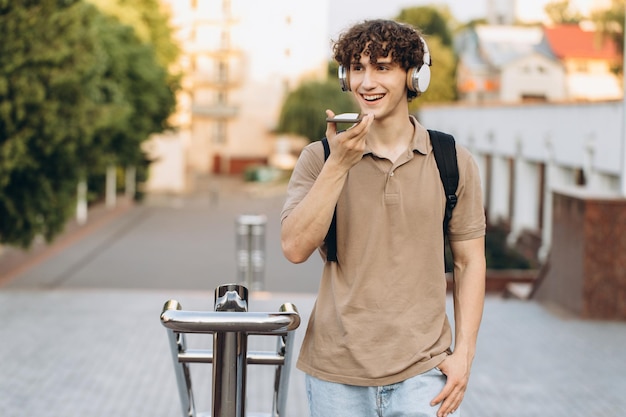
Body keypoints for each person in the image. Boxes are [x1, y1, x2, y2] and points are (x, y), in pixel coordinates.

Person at [280, 19, 486, 417]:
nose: (366, 82)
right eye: (357, 68)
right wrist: (339, 165)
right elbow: (293, 248)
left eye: (382, 67)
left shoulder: (453, 161)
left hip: (424, 373)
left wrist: (464, 354)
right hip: (335, 373)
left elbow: (469, 260)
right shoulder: (319, 158)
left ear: (413, 77)